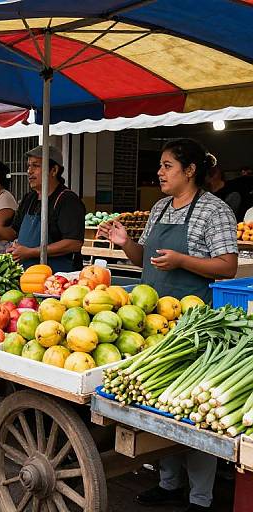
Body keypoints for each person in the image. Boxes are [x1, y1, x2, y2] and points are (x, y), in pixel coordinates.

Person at [98, 138, 238, 511]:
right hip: (152, 320)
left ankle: (201, 497)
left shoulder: (215, 211)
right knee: (158, 405)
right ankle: (169, 482)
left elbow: (228, 265)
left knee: (192, 412)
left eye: (166, 166)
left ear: (190, 170)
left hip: (192, 324)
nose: (159, 172)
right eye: (160, 166)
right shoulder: (158, 208)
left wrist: (182, 260)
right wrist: (125, 242)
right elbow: (144, 258)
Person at [3, 145, 85, 272]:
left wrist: (31, 252)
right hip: (27, 275)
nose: (29, 171)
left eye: (35, 166)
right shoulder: (29, 198)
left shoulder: (67, 200)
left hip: (58, 278)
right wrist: (15, 247)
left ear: (54, 170)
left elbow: (74, 243)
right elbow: (15, 231)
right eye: (28, 166)